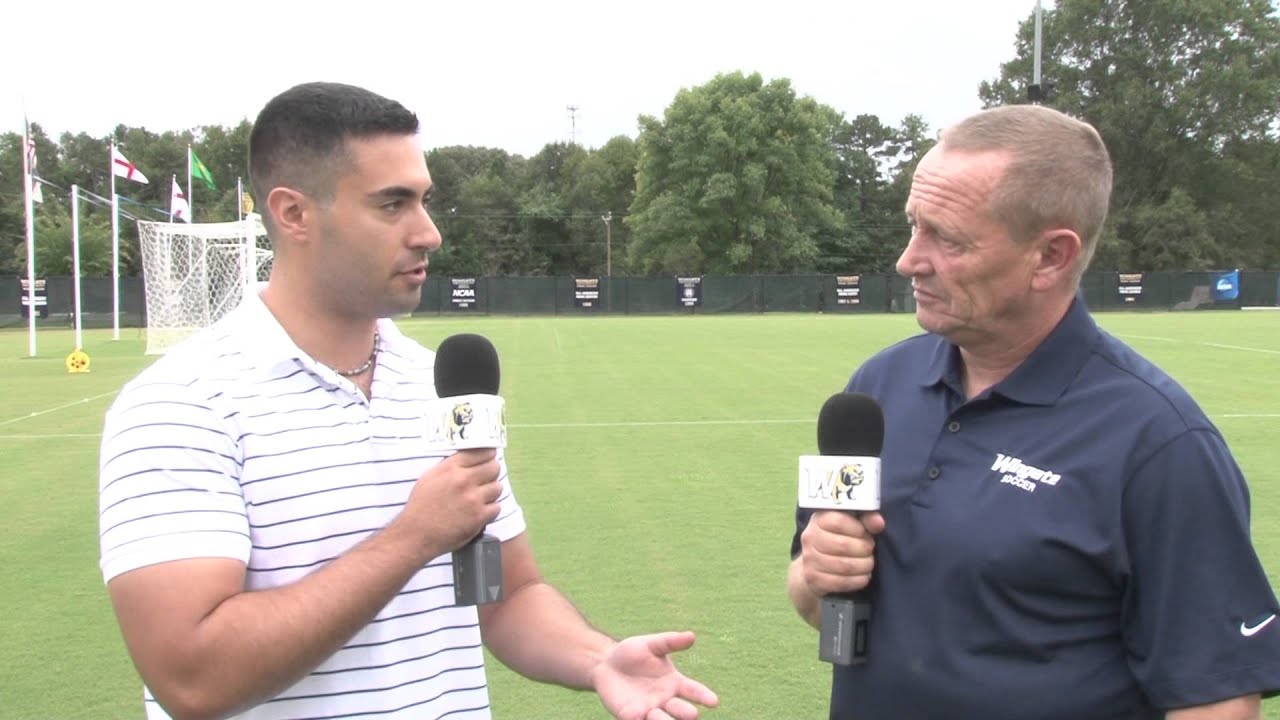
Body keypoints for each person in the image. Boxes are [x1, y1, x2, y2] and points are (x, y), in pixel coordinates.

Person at [99, 81, 718, 720]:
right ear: (294, 214)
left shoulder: (439, 384)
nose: (429, 233)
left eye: (424, 200)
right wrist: (413, 537)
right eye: (392, 204)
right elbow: (193, 679)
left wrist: (596, 658)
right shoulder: (179, 407)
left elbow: (507, 595)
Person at [787, 104, 1280, 719]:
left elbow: (1216, 698)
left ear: (1050, 256)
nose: (908, 260)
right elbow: (814, 598)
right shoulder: (877, 387)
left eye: (947, 238)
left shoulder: (1158, 443)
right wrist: (817, 572)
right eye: (914, 225)